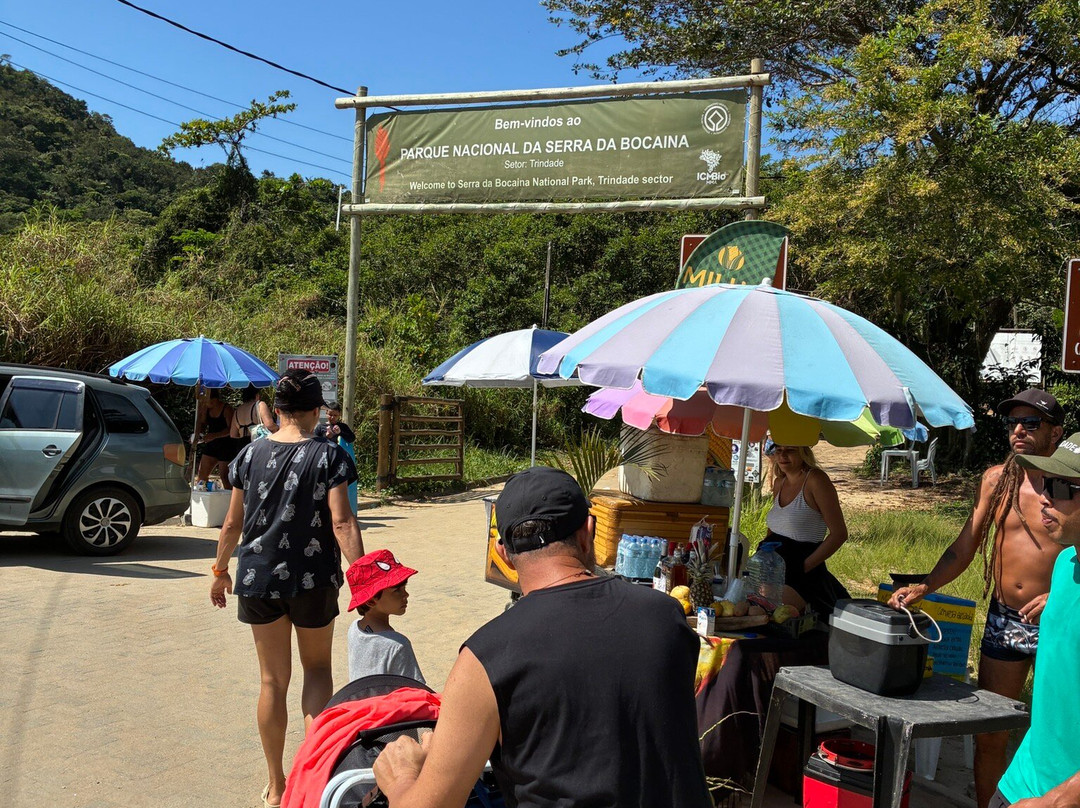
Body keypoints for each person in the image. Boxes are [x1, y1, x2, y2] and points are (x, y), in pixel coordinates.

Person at [372, 466, 712, 808]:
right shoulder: (667, 616)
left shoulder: (485, 658)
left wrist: (401, 780)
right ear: (588, 531)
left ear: (504, 554)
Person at [889, 388, 1066, 808]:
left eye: (1031, 423)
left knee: (1058, 730)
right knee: (990, 731)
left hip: (1060, 618)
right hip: (1006, 620)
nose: (1018, 430)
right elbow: (964, 546)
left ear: (1056, 433)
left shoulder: (1071, 485)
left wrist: (1061, 600)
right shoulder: (996, 479)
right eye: (1012, 423)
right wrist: (926, 586)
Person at [209, 369, 365, 808]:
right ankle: (313, 777)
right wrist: (365, 576)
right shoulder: (329, 455)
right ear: (316, 411)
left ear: (276, 410)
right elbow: (342, 521)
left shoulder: (249, 455)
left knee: (272, 681)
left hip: (258, 578)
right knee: (316, 671)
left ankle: (277, 785)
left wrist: (221, 570)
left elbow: (232, 524)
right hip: (312, 577)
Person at [991, 434, 1080, 808]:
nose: (1044, 496)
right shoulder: (1066, 564)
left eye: (1060, 486)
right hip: (1024, 778)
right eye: (1044, 483)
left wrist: (1057, 801)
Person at [763, 443, 850, 614]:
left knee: (773, 615)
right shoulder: (780, 483)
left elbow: (839, 534)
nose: (782, 456)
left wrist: (803, 567)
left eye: (790, 450)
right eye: (778, 450)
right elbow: (775, 528)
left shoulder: (816, 480)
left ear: (804, 453)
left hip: (802, 565)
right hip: (773, 565)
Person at [345, 549, 425, 684]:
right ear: (371, 601)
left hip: (360, 704)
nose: (406, 595)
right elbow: (415, 692)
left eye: (404, 587)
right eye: (397, 590)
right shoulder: (397, 645)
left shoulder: (354, 629)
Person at [194, 387, 239, 489]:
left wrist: (214, 435)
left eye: (208, 401)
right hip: (212, 444)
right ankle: (204, 494)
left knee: (225, 477)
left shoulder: (227, 409)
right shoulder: (206, 408)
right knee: (202, 475)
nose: (207, 404)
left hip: (226, 445)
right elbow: (202, 424)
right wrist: (197, 434)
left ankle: (229, 500)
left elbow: (231, 429)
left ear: (215, 399)